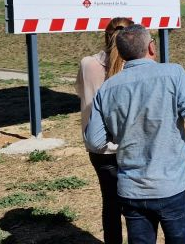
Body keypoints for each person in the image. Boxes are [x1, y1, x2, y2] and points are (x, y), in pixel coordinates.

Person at [85, 24, 185, 244]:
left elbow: (94, 141)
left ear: (121, 54)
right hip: (174, 185)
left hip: (132, 190)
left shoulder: (108, 88)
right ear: (151, 47)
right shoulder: (173, 73)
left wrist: (118, 133)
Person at [75, 17, 133, 244]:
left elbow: (80, 91)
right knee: (133, 204)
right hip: (128, 145)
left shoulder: (87, 64)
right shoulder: (133, 69)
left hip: (98, 148)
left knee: (110, 204)